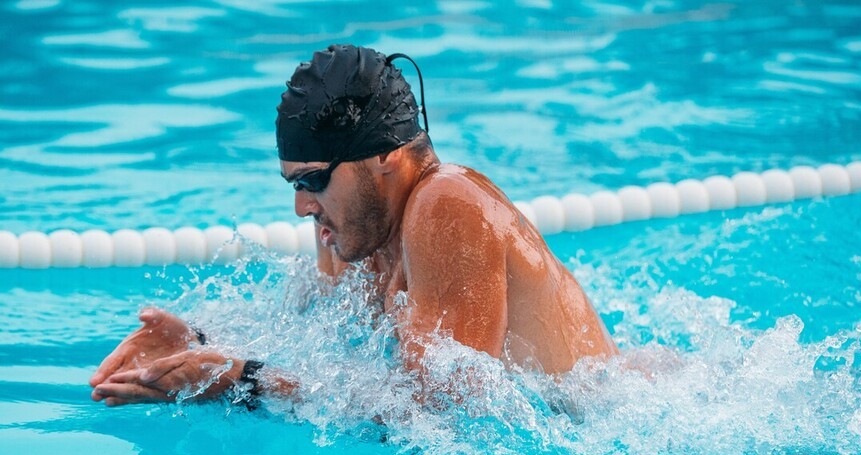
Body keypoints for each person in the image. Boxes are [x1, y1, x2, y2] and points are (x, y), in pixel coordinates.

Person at [90, 44, 617, 408]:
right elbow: (311, 341)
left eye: (314, 180)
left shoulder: (448, 204)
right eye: (295, 184)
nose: (302, 207)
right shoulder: (351, 232)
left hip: (596, 421)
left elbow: (446, 416)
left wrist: (246, 381)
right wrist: (198, 344)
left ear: (384, 156)